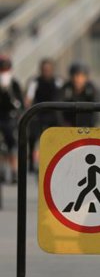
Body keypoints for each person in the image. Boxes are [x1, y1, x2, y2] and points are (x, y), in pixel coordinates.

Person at [25, 58, 62, 172]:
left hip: (53, 115)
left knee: (56, 139)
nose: (46, 71)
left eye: (48, 69)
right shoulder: (35, 82)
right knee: (33, 138)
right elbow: (28, 99)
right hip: (38, 114)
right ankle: (31, 163)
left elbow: (63, 97)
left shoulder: (58, 82)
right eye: (44, 69)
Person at [0, 55, 24, 183]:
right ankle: (2, 171)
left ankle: (14, 171)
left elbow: (19, 103)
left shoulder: (14, 84)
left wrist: (9, 93)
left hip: (10, 118)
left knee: (12, 145)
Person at [60, 62, 99, 126]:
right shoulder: (65, 89)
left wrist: (91, 126)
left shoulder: (91, 90)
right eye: (74, 75)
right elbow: (58, 109)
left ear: (86, 78)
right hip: (67, 128)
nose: (76, 79)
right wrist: (62, 124)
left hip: (87, 128)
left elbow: (97, 112)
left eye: (80, 76)